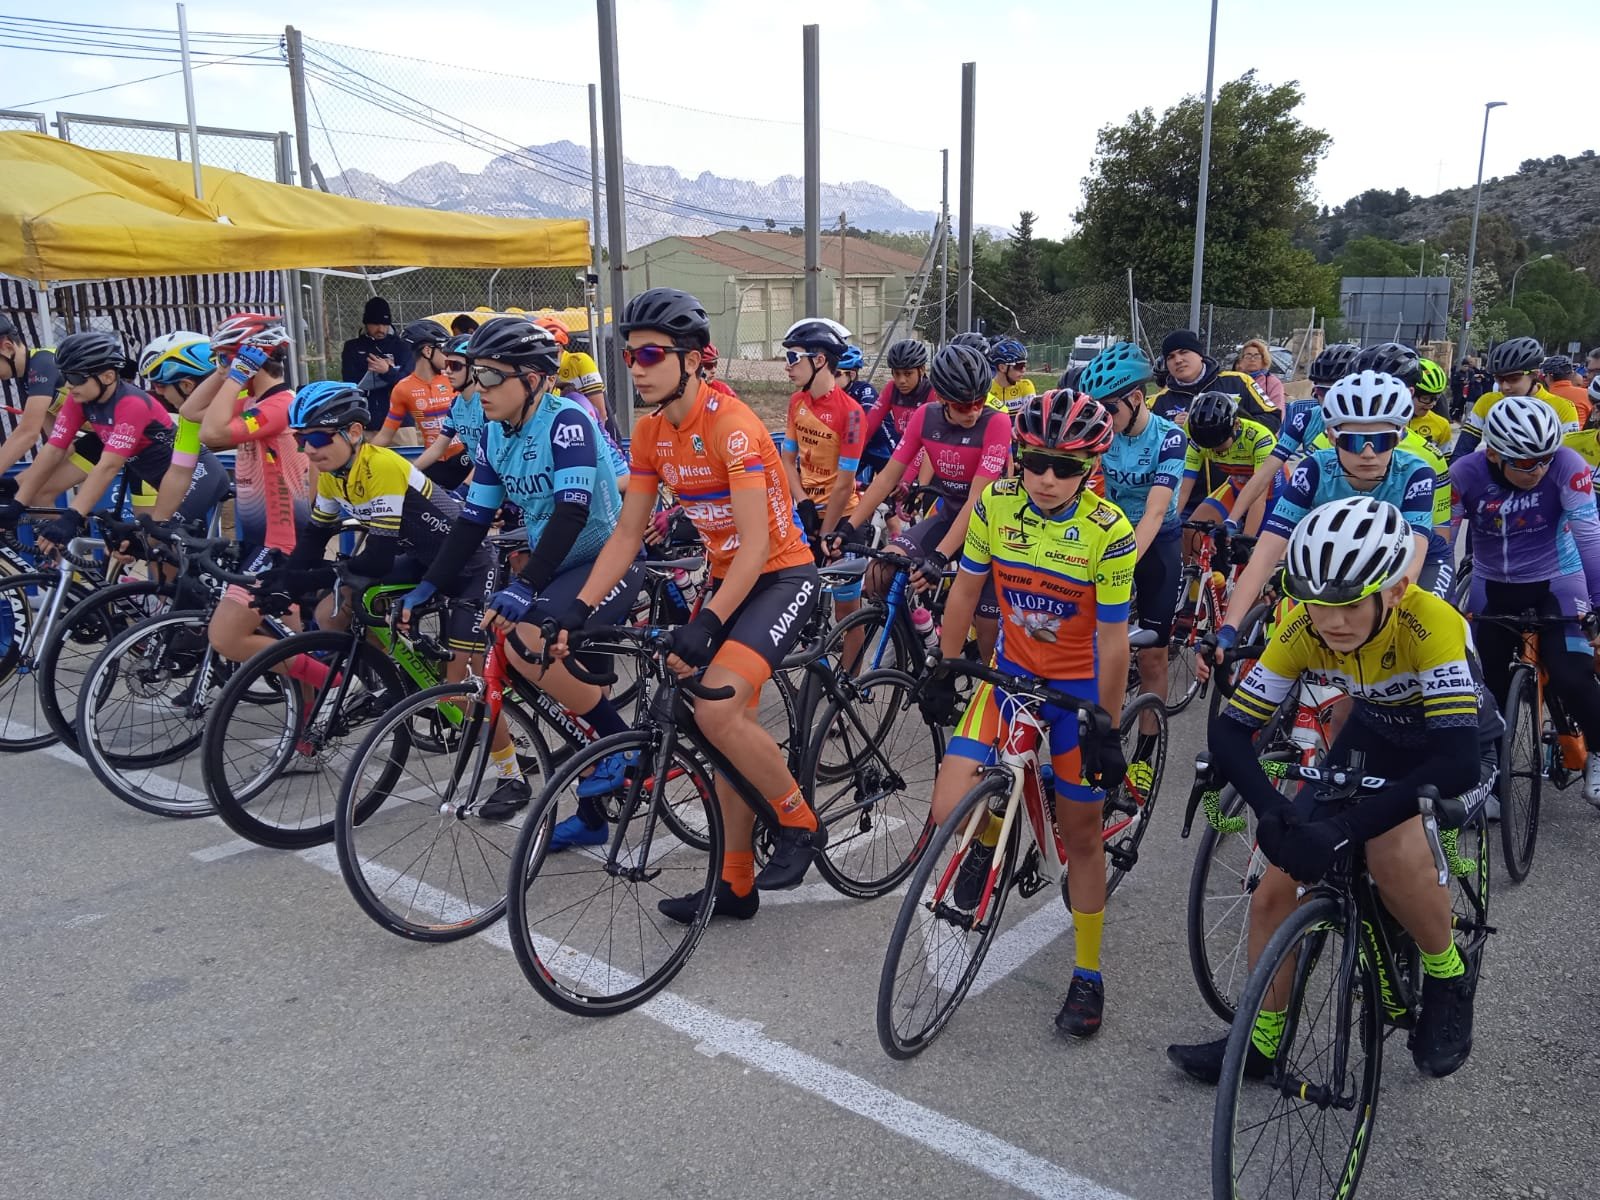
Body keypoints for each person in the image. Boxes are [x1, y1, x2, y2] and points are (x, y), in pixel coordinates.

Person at [1168, 496, 1497, 1084]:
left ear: (1395, 590)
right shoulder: (1302, 624)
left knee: (1389, 854)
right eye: (1318, 603)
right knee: (1275, 889)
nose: (1332, 621)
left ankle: (1448, 974)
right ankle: (1261, 1042)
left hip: (1456, 748)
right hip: (1376, 732)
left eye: (1348, 604)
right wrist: (1273, 810)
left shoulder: (1433, 623)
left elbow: (1454, 763)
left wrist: (1345, 828)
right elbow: (1231, 729)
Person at [546, 288, 826, 919]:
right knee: (722, 730)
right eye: (629, 355)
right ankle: (735, 885)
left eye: (651, 354)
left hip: (782, 576)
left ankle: (799, 823)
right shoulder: (650, 432)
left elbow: (756, 546)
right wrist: (578, 608)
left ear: (694, 360)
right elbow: (627, 533)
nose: (636, 367)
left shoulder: (733, 427)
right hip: (727, 579)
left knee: (717, 710)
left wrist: (707, 622)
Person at [917, 388, 1132, 1038]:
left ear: (1089, 468)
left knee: (1084, 836)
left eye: (1064, 468)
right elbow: (966, 589)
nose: (1046, 478)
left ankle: (1088, 973)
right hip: (1010, 676)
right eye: (1034, 462)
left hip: (1076, 692)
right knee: (946, 809)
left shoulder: (1109, 532)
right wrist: (945, 664)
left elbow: (1114, 642)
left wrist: (1106, 725)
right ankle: (989, 836)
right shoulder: (996, 504)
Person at [405, 317, 638, 829]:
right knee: (559, 679)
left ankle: (622, 748)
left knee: (528, 643)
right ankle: (594, 816)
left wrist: (526, 584)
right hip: (557, 564)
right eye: (475, 374)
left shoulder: (566, 421)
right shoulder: (494, 433)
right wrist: (430, 584)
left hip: (607, 561)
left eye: (491, 375)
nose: (478, 387)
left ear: (532, 379)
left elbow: (571, 511)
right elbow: (473, 520)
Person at [1216, 371, 1441, 647]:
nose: (1368, 453)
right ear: (1332, 437)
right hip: (1331, 569)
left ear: (1401, 435)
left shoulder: (1417, 474)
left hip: (1394, 567)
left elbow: (1410, 566)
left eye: (1383, 441)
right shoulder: (1315, 469)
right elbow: (1265, 554)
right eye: (1353, 441)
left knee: (1421, 636)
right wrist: (1229, 629)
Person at [1453, 395, 1600, 804]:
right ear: (1494, 454)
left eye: (1545, 459)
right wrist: (1442, 601)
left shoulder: (1567, 464)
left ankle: (1599, 751)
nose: (1539, 470)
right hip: (1492, 586)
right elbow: (1440, 542)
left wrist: (1599, 604)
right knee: (1486, 686)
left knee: (1572, 674)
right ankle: (1490, 773)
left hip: (1558, 582)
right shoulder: (1464, 473)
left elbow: (1589, 536)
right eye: (1525, 462)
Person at [825, 343, 1012, 664]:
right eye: (963, 405)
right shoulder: (926, 417)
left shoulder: (996, 423)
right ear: (943, 400)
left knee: (986, 632)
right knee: (879, 574)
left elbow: (977, 501)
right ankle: (920, 639)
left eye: (979, 401)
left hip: (988, 527)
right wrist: (848, 526)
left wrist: (939, 556)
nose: (974, 411)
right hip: (949, 516)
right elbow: (887, 477)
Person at [4, 331, 223, 553]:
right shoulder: (79, 398)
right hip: (154, 474)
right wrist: (18, 504)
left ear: (108, 377)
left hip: (196, 476)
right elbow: (54, 449)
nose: (68, 384)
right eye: (65, 376)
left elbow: (108, 466)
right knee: (136, 551)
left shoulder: (132, 403)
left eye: (76, 377)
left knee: (155, 550)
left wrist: (73, 515)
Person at [182, 313, 311, 667]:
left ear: (252, 359)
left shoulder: (280, 405)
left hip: (280, 542)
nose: (222, 367)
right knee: (290, 639)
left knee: (226, 635)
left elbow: (211, 435)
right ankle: (323, 692)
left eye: (224, 357)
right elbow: (191, 411)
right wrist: (225, 372)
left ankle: (335, 682)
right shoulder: (256, 402)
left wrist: (237, 373)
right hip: (262, 538)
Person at [1078, 342, 1185, 755]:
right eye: (1096, 409)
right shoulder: (1104, 431)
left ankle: (1144, 755)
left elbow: (1155, 513)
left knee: (1152, 657)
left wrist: (1118, 564)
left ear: (1136, 398)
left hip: (1156, 543)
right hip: (1112, 534)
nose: (1102, 418)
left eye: (1109, 408)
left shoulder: (1170, 438)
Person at [780, 319, 866, 644]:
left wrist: (827, 531)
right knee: (800, 605)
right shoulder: (797, 402)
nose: (787, 366)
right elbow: (787, 460)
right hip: (806, 515)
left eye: (793, 358)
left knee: (847, 614)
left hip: (841, 518)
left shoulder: (852, 413)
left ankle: (851, 675)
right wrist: (802, 502)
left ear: (819, 360)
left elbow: (845, 483)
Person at [133, 332, 233, 525]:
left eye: (159, 384)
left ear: (186, 385)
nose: (157, 392)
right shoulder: (190, 419)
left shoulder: (249, 403)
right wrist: (156, 529)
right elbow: (179, 472)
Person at [1454, 337, 1580, 461]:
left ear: (1535, 374)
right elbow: (1462, 451)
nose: (1505, 387)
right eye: (1499, 379)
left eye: (1513, 379)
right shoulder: (1487, 401)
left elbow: (1568, 460)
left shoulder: (1563, 407)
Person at [1171, 391, 1276, 533]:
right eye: (1208, 447)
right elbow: (1184, 488)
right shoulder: (1197, 440)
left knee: (1257, 542)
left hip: (1270, 491)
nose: (1215, 451)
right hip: (1237, 484)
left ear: (1236, 425)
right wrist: (1170, 521)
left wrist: (1246, 538)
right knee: (1192, 531)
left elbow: (1258, 498)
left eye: (1220, 445)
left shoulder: (1261, 438)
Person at [373, 319, 462, 464]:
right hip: (434, 462)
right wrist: (359, 459)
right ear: (427, 351)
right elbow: (385, 435)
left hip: (465, 459)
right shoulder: (403, 389)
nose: (448, 355)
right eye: (443, 349)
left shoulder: (455, 378)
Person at [0, 314, 68, 476]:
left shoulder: (42, 363)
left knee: (29, 486)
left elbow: (28, 433)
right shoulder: (27, 377)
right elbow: (55, 439)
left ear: (7, 347)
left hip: (119, 435)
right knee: (27, 486)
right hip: (102, 438)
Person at [409, 332, 477, 489]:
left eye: (455, 366)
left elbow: (489, 458)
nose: (448, 371)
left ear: (473, 368)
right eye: (446, 364)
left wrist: (463, 490)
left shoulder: (487, 404)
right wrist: (408, 473)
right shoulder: (456, 405)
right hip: (477, 474)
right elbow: (437, 448)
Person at [537, 315, 615, 440]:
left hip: (598, 430)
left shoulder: (579, 361)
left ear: (559, 347)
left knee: (573, 397)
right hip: (564, 431)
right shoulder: (538, 371)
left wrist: (597, 444)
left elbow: (600, 412)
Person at [340, 296, 413, 426]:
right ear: (366, 323)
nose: (381, 329)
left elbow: (409, 381)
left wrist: (387, 371)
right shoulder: (353, 347)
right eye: (375, 324)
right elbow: (350, 382)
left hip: (400, 421)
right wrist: (369, 370)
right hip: (368, 419)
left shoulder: (402, 346)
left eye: (385, 324)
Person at [1411, 357, 1455, 457]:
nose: (1432, 404)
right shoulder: (1386, 423)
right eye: (1425, 398)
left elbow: (1445, 461)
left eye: (1436, 398)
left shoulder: (1442, 425)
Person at [1541, 354, 1593, 428]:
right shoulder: (1587, 394)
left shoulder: (1543, 397)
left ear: (1549, 376)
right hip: (1582, 434)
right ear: (1571, 374)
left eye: (1544, 376)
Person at [1233, 338, 1284, 413]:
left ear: (1264, 360)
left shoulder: (1273, 383)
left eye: (1257, 356)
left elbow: (1278, 413)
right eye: (1248, 355)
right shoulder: (1234, 380)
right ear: (1242, 360)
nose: (1252, 359)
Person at [986, 337, 1035, 414]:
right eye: (1019, 366)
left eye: (1025, 365)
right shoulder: (987, 389)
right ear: (1002, 367)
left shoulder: (1026, 385)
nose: (1024, 370)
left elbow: (1030, 417)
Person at [1449, 354, 1493, 422]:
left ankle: (1458, 418)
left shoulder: (1472, 372)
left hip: (1467, 394)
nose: (1466, 367)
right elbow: (1454, 382)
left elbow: (1472, 380)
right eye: (1465, 366)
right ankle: (1451, 417)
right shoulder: (1458, 373)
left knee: (1462, 407)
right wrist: (1462, 383)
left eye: (1468, 365)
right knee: (1455, 405)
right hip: (1458, 392)